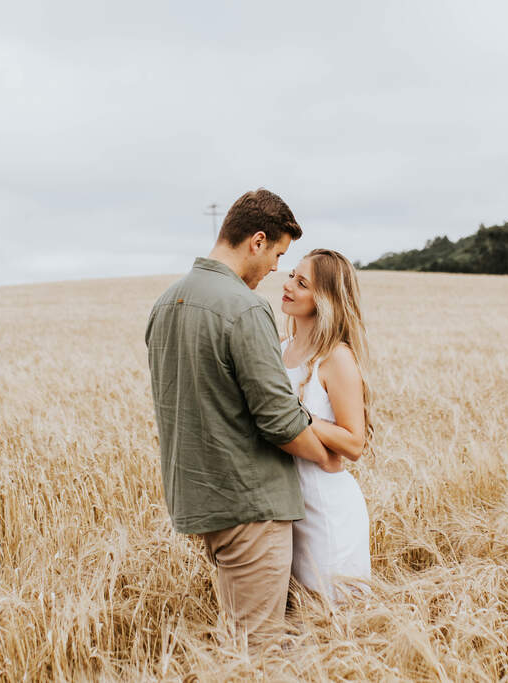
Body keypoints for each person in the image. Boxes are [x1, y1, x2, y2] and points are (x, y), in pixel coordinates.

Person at [144, 189, 341, 646]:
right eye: (277, 253)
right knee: (258, 651)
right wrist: (326, 459)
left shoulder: (166, 303)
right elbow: (279, 420)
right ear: (256, 241)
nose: (276, 268)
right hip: (251, 504)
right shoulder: (245, 307)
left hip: (200, 500)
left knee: (238, 642)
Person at [279, 249, 372, 601]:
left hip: (326, 509)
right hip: (285, 504)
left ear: (325, 299)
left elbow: (354, 444)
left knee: (330, 622)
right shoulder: (279, 348)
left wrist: (300, 417)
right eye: (291, 275)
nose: (288, 286)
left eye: (301, 283)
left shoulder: (336, 357)